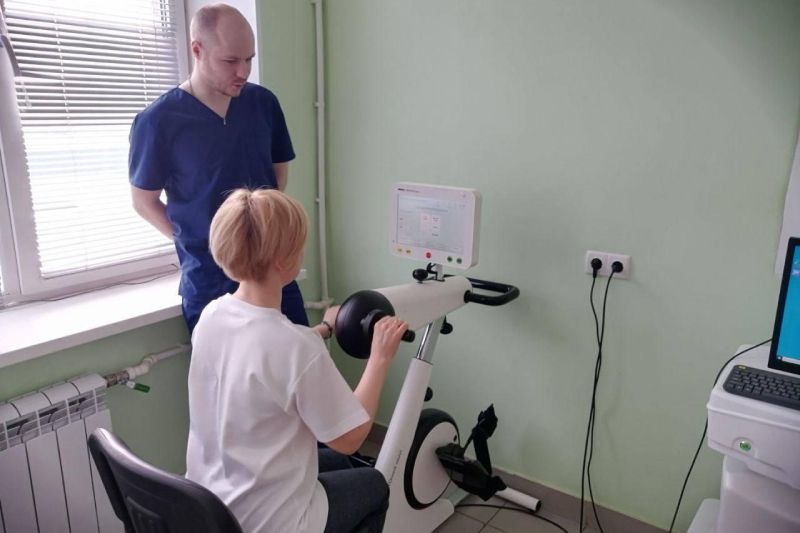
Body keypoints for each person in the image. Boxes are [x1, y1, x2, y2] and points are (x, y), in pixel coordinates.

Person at [185, 188, 407, 533]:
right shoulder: (296, 347)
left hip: (213, 506)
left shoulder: (212, 316)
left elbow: (261, 355)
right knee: (374, 485)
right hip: (270, 522)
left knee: (344, 466)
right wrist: (380, 358)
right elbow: (351, 437)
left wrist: (323, 330)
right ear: (282, 261)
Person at [128, 3, 306, 331]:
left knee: (299, 356)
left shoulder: (263, 103)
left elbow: (278, 174)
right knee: (224, 365)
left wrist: (260, 233)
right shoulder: (158, 121)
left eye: (249, 59)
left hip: (272, 269)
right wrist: (200, 241)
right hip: (208, 280)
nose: (243, 71)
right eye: (230, 61)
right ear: (197, 50)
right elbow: (143, 202)